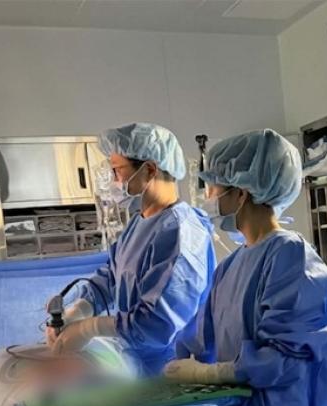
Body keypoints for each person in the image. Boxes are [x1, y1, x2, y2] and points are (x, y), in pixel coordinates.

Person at [163, 129, 327, 406]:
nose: (208, 198)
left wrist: (209, 374)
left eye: (213, 188)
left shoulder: (291, 256)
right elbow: (196, 340)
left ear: (241, 193)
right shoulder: (230, 266)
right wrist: (168, 375)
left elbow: (285, 361)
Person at [46, 123, 216, 375]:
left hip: (173, 372)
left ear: (149, 170)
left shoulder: (181, 233)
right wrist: (80, 310)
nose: (114, 181)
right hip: (137, 363)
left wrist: (89, 329)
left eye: (117, 171)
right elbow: (113, 276)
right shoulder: (140, 222)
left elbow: (157, 325)